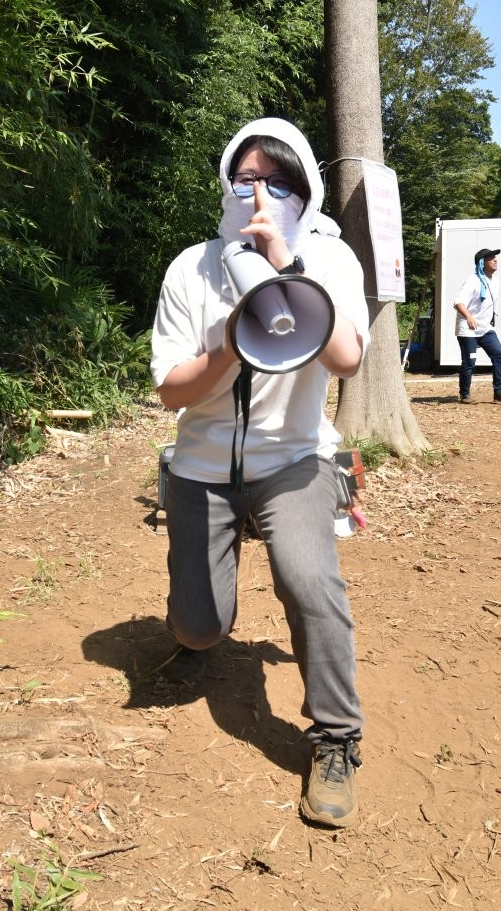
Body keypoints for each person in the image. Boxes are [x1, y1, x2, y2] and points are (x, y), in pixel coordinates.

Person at [150, 117, 370, 828]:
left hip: (293, 459)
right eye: (246, 179)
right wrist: (230, 345)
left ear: (304, 190)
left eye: (278, 182)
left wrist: (288, 268)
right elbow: (171, 391)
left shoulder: (330, 257)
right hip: (202, 465)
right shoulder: (192, 267)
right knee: (200, 624)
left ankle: (335, 738)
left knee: (308, 581)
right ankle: (197, 638)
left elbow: (346, 359)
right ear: (226, 184)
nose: (259, 195)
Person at [453, 248, 501, 404]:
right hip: (468, 328)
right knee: (469, 362)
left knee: (499, 354)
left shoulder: (496, 281)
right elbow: (458, 302)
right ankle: (465, 395)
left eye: (495, 257)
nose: (495, 260)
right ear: (482, 263)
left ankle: (499, 391)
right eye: (491, 258)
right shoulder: (472, 281)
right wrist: (469, 317)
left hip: (485, 328)